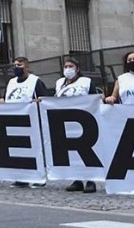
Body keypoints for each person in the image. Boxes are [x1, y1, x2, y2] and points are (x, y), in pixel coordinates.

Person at [0, 57, 48, 188]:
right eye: (14, 65)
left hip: (31, 120)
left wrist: (36, 103)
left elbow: (44, 98)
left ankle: (39, 177)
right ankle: (22, 177)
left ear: (27, 67)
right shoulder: (12, 82)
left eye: (19, 65)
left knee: (36, 150)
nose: (16, 67)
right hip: (14, 120)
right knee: (19, 150)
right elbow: (7, 100)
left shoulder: (35, 81)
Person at [55, 57, 100, 193]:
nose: (68, 69)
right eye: (66, 66)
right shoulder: (59, 83)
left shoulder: (86, 82)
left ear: (77, 69)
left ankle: (91, 180)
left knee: (88, 153)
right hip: (67, 121)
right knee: (72, 153)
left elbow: (94, 98)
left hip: (85, 119)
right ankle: (77, 179)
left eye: (71, 66)